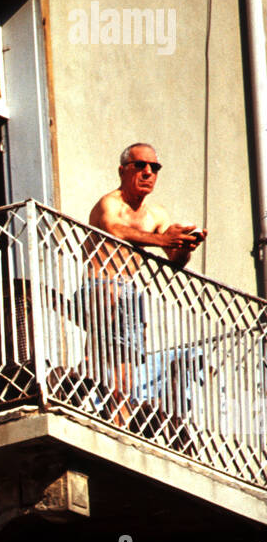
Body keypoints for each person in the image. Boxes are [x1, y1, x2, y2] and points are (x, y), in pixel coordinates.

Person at [80, 145, 206, 426]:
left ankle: (119, 418)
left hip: (128, 295)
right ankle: (83, 379)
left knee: (126, 361)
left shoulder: (156, 214)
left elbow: (175, 260)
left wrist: (186, 245)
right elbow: (114, 229)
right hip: (99, 287)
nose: (148, 172)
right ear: (123, 170)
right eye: (140, 165)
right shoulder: (110, 203)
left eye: (154, 167)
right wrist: (164, 240)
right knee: (105, 343)